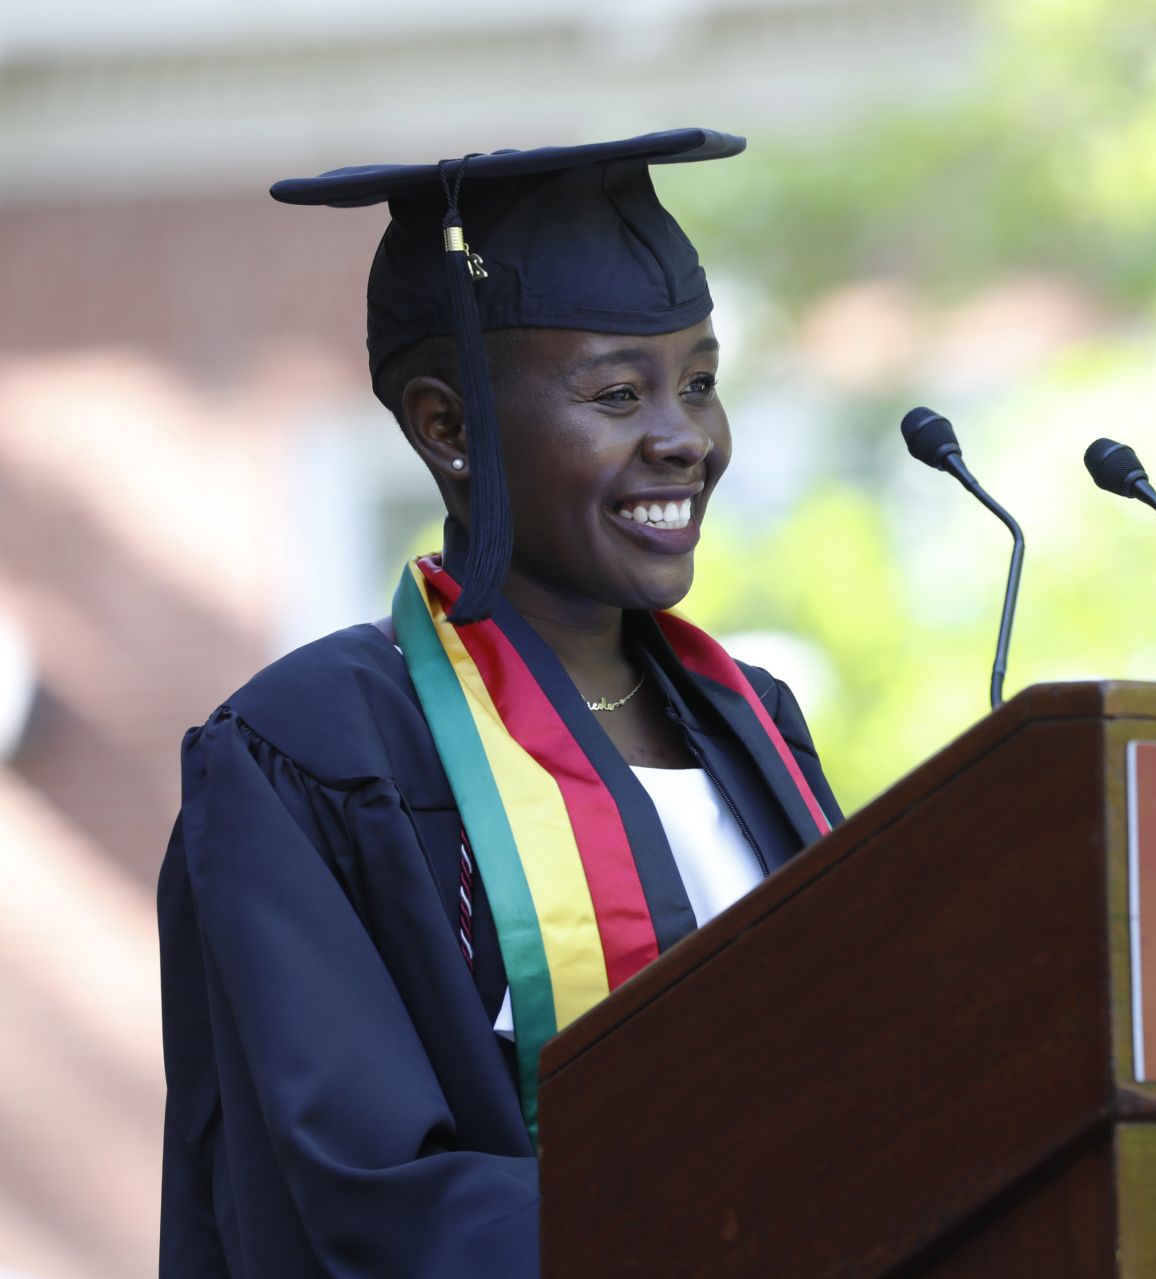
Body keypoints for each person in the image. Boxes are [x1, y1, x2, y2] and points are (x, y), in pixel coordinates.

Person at [157, 129, 842, 1277]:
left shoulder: (751, 723)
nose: (684, 437)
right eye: (619, 392)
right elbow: (356, 1190)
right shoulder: (310, 754)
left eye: (701, 382)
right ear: (449, 427)